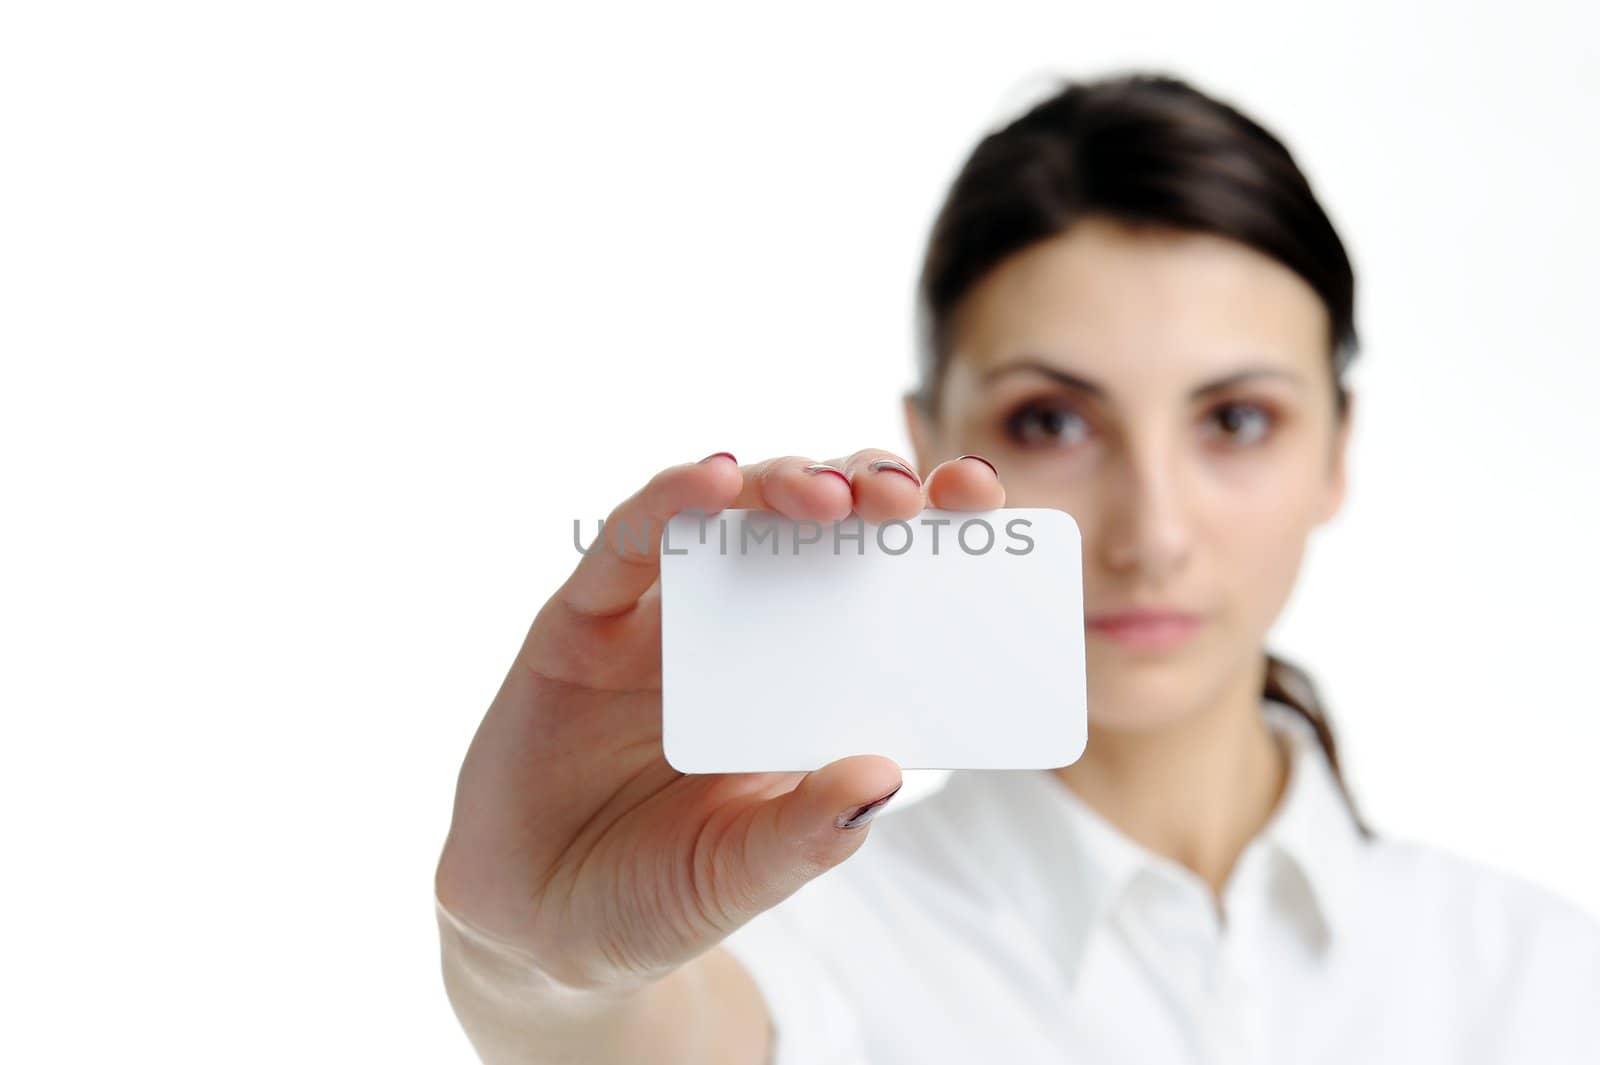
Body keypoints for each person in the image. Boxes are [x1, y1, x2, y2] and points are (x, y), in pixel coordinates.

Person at [432, 71, 1600, 1064]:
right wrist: (535, 963)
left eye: (1236, 421)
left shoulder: (1541, 978)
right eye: (1051, 421)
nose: (1151, 534)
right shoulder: (789, 939)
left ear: (1337, 452)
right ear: (930, 440)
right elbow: (618, 1029)